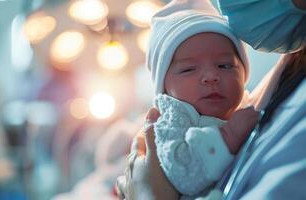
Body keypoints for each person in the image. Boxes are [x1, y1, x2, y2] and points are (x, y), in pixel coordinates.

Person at [116, 0, 306, 199]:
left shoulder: (246, 105)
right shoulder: (173, 119)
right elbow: (181, 170)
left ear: (243, 75)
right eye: (188, 69)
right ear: (165, 89)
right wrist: (227, 136)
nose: (211, 76)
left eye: (225, 66)